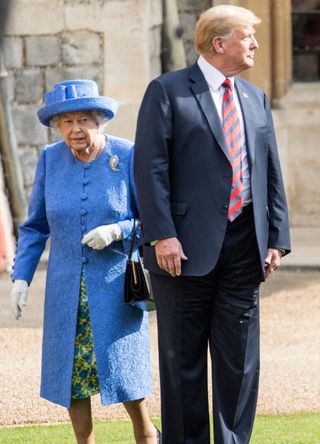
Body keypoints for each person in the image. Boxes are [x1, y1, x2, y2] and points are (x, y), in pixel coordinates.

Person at [134, 5, 291, 444]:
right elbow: (150, 169)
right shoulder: (166, 91)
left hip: (245, 247)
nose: (256, 45)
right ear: (219, 43)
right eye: (248, 37)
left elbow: (270, 171)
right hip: (181, 251)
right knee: (182, 362)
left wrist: (276, 237)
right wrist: (162, 234)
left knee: (240, 362)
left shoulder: (255, 97)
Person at [10, 79, 161, 444]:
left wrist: (118, 230)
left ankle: (147, 436)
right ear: (57, 126)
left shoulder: (126, 155)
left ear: (99, 120)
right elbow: (34, 226)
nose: (75, 129)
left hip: (114, 284)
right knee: (70, 373)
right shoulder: (50, 159)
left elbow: (155, 221)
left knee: (124, 370)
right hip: (65, 286)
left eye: (82, 120)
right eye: (66, 122)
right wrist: (21, 277)